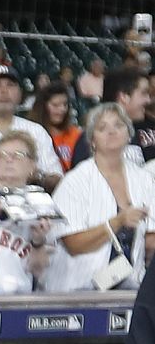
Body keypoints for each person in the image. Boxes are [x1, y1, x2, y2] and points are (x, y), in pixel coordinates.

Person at [48, 100, 155, 292]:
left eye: (119, 125)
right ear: (92, 140)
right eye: (102, 127)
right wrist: (117, 222)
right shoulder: (75, 181)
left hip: (128, 286)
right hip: (75, 289)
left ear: (129, 134)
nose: (112, 131)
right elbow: (73, 244)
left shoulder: (145, 179)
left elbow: (150, 239)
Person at [0, 130, 54, 294]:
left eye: (18, 155)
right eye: (3, 154)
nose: (9, 159)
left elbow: (39, 271)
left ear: (32, 166)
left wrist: (38, 241)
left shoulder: (41, 206)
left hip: (15, 299)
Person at [68, 64, 155, 166]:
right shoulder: (93, 138)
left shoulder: (148, 125)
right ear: (124, 97)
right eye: (144, 93)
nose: (148, 100)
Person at [0, 66, 57, 175]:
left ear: (20, 94)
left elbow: (56, 178)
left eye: (10, 85)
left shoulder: (36, 131)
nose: (4, 91)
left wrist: (36, 176)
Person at [28, 82, 80, 172]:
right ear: (43, 107)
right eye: (55, 105)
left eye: (65, 105)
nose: (62, 109)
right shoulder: (31, 135)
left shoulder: (76, 135)